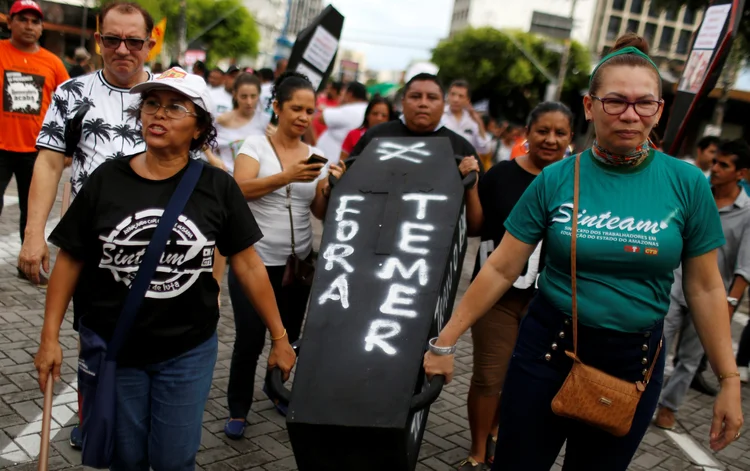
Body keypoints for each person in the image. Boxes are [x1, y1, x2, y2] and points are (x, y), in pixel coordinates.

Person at [423, 33, 743, 470]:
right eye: (615, 101)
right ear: (590, 106)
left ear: (659, 110)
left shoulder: (687, 185)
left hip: (634, 364)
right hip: (546, 352)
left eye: (643, 103)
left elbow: (706, 287)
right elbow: (501, 267)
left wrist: (728, 380)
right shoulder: (556, 178)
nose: (630, 115)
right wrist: (444, 343)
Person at [33, 67, 297, 469]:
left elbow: (247, 264)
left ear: (199, 128)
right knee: (127, 459)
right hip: (118, 348)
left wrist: (279, 337)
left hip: (187, 352)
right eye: (152, 104)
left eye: (175, 107)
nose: (159, 114)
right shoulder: (108, 179)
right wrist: (49, 337)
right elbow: (71, 257)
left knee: (174, 460)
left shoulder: (217, 187)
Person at [19, 0, 156, 448]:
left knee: (149, 341)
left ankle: (137, 423)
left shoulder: (172, 94)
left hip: (158, 249)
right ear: (98, 41)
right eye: (112, 39)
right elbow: (50, 162)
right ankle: (92, 418)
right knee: (92, 339)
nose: (122, 49)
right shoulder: (72, 93)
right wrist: (33, 234)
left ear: (149, 44)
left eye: (133, 41)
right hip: (91, 249)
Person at [223, 71, 346, 439]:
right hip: (254, 261)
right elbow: (239, 190)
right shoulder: (254, 146)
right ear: (276, 107)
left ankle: (275, 388)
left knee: (289, 336)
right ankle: (237, 408)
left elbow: (319, 212)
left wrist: (330, 187)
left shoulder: (315, 156)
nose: (304, 117)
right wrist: (287, 176)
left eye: (310, 111)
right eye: (296, 108)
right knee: (250, 337)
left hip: (298, 265)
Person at [458, 102, 574, 471]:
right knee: (489, 375)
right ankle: (478, 450)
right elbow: (476, 227)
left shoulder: (577, 182)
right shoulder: (503, 174)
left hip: (550, 301)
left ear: (572, 138)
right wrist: (472, 186)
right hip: (497, 298)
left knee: (522, 379)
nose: (551, 139)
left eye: (560, 133)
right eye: (543, 130)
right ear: (527, 133)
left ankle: (495, 432)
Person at [654, 139, 750, 429]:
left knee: (690, 359)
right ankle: (640, 399)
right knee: (657, 347)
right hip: (674, 285)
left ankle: (668, 407)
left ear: (741, 173)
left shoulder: (747, 213)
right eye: (715, 162)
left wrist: (729, 305)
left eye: (724, 165)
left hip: (711, 297)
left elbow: (744, 269)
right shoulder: (697, 193)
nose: (715, 168)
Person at [349, 73, 483, 236]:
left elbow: (475, 226)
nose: (423, 103)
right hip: (370, 238)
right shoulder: (375, 138)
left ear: (443, 104)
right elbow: (349, 191)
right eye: (415, 96)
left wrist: (470, 181)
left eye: (432, 98)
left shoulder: (461, 149)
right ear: (403, 101)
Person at [0, 0, 69, 256]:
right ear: (10, 22)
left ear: (41, 28)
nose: (29, 26)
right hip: (0, 148)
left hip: (37, 151)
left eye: (35, 21)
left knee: (33, 212)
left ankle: (27, 259)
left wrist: (68, 147)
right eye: (22, 19)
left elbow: (69, 108)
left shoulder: (53, 63)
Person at [204, 72, 269, 173]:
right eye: (244, 96)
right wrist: (212, 158)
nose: (249, 102)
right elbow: (201, 139)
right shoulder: (222, 120)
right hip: (226, 178)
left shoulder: (266, 122)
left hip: (255, 182)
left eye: (253, 96)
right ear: (235, 95)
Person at [315, 81, 368, 165]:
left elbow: (321, 118)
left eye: (343, 92)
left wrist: (338, 105)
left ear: (349, 94)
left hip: (330, 164)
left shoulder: (351, 110)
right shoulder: (364, 108)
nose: (341, 95)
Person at [442, 79, 492, 156]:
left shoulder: (472, 120)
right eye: (452, 94)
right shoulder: (440, 115)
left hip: (466, 164)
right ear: (448, 95)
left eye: (460, 96)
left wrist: (479, 122)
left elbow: (485, 149)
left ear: (468, 100)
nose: (456, 99)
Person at [339, 96, 393, 161]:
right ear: (367, 115)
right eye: (375, 114)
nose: (379, 118)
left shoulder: (392, 140)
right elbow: (342, 162)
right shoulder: (353, 134)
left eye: (384, 116)